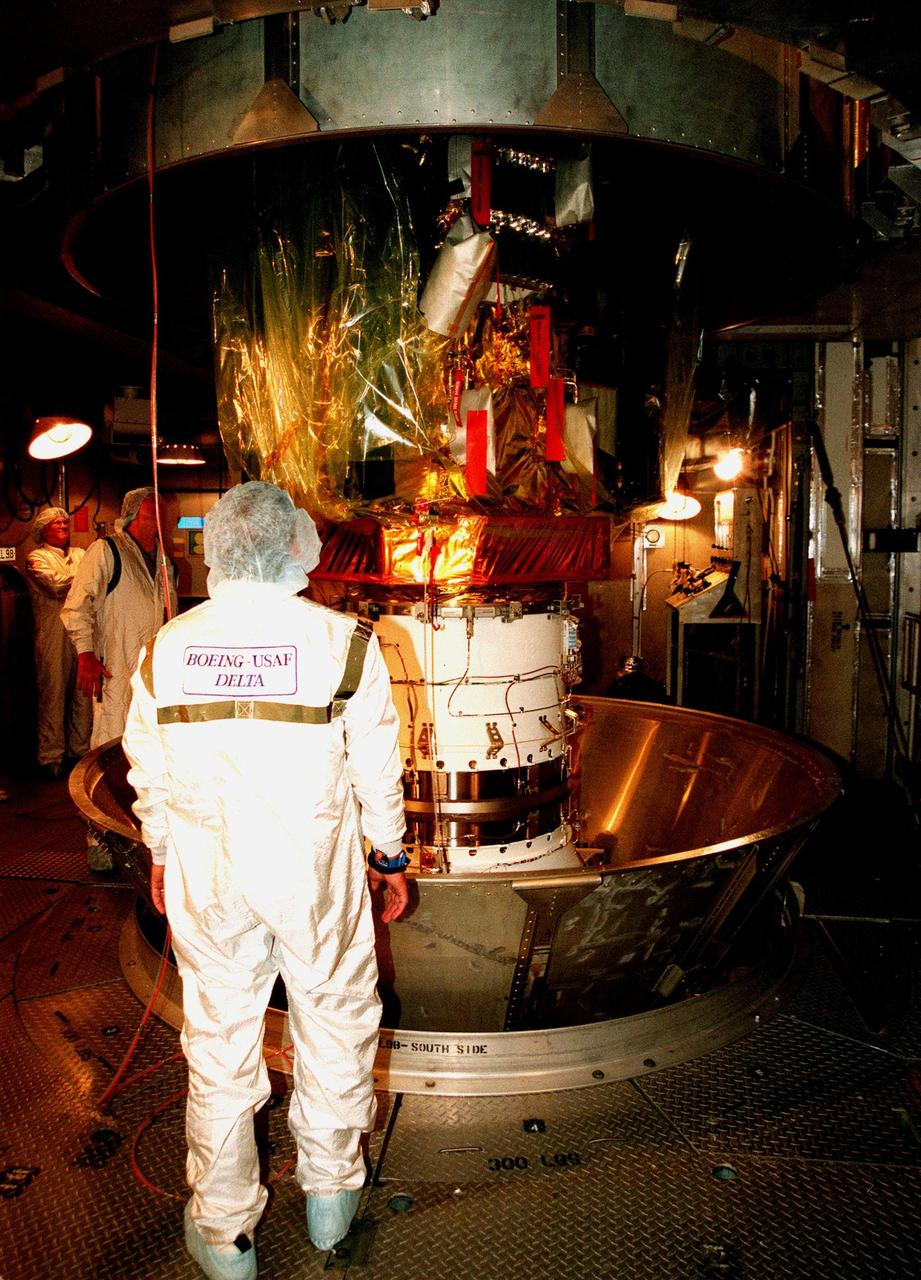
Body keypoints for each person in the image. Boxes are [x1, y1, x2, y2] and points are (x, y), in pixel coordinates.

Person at [121, 482, 408, 1280]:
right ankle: (330, 1197)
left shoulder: (167, 647)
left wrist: (162, 855)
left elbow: (149, 769)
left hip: (210, 876)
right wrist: (387, 858)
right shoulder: (344, 642)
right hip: (314, 875)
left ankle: (224, 1235)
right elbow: (378, 769)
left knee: (218, 1042)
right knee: (336, 1019)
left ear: (216, 547)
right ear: (293, 546)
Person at [61, 486, 178, 870]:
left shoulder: (162, 560)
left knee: (149, 761)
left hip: (155, 678)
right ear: (140, 512)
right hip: (115, 673)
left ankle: (143, 844)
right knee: (109, 755)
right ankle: (101, 849)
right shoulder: (107, 551)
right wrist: (85, 655)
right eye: (160, 510)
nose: (167, 518)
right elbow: (77, 607)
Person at [24, 508, 92, 777]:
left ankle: (81, 751)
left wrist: (85, 581)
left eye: (66, 521)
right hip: (53, 633)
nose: (64, 525)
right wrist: (85, 579)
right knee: (53, 693)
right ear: (43, 530)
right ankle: (51, 757)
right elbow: (54, 586)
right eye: (57, 523)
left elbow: (91, 586)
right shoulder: (36, 558)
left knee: (83, 693)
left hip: (82, 631)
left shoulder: (80, 554)